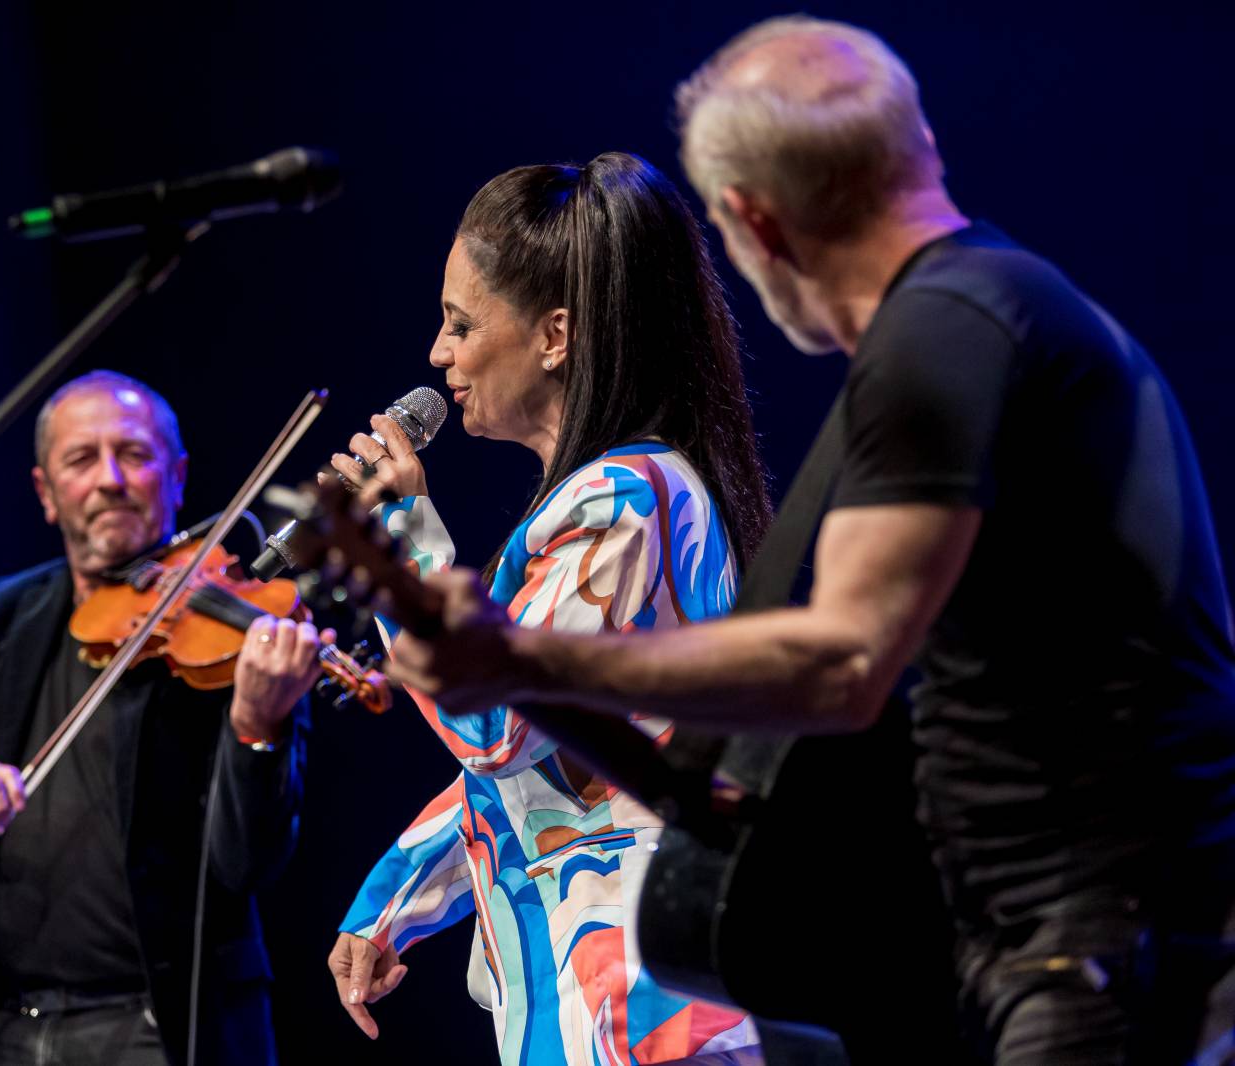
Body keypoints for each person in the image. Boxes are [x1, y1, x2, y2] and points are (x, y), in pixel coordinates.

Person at [379, 17, 1235, 1065]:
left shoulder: (943, 334)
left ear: (754, 223)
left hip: (1096, 934)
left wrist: (523, 654)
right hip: (1065, 929)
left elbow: (841, 660)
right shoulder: (983, 312)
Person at [324, 153, 772, 1065]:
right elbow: (544, 775)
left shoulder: (629, 499)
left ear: (555, 334)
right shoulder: (594, 501)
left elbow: (497, 727)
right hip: (592, 1004)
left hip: (646, 1008)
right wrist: (390, 906)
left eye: (459, 323)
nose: (436, 353)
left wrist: (401, 540)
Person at [0, 370, 319, 1066]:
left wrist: (257, 725)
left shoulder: (243, 628)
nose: (109, 480)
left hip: (161, 1028)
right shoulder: (0, 615)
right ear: (45, 493)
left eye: (133, 454)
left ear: (176, 475)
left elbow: (246, 864)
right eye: (80, 459)